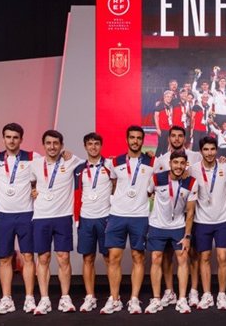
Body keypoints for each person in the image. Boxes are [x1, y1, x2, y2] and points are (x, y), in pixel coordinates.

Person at [101, 126, 156, 315]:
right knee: (114, 257)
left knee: (138, 257)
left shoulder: (152, 161)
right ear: (127, 139)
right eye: (132, 138)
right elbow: (114, 184)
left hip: (140, 216)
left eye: (139, 138)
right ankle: (114, 299)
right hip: (117, 215)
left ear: (143, 140)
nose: (135, 141)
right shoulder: (114, 162)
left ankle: (134, 299)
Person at [29, 130, 82, 315]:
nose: (52, 147)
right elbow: (27, 183)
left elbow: (94, 161)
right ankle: (44, 299)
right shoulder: (35, 164)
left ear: (61, 145)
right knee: (42, 258)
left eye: (56, 143)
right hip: (41, 217)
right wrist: (33, 190)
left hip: (63, 217)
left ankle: (65, 298)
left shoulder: (71, 162)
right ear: (43, 145)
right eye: (48, 143)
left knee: (63, 258)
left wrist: (72, 155)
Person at [0, 123, 37, 315]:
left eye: (15, 137)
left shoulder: (33, 158)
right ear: (3, 138)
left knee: (28, 257)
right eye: (8, 137)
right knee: (4, 258)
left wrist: (36, 188)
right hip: (3, 215)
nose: (11, 140)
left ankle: (29, 298)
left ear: (21, 139)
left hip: (26, 214)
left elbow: (49, 171)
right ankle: (6, 298)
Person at [152, 126, 202, 307]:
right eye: (173, 136)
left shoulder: (195, 156)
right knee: (166, 256)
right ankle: (168, 292)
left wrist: (222, 159)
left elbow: (209, 165)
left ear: (185, 138)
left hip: (189, 214)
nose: (176, 139)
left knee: (192, 254)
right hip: (166, 220)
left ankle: (193, 292)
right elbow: (152, 184)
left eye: (180, 136)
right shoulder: (161, 160)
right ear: (169, 138)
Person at [145, 150, 198, 314]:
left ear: (185, 165)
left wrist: (188, 236)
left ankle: (182, 299)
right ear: (170, 164)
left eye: (182, 163)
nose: (179, 166)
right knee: (156, 258)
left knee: (182, 258)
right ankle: (155, 299)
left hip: (178, 226)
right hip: (157, 226)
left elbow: (190, 213)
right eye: (176, 163)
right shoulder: (157, 178)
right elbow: (147, 193)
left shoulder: (191, 182)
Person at [188, 137, 226, 310]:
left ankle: (221, 295)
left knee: (222, 257)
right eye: (206, 149)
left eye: (212, 149)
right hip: (202, 221)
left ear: (217, 150)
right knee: (204, 258)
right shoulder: (192, 170)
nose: (209, 153)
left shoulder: (225, 167)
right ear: (201, 151)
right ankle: (206, 294)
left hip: (222, 220)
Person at [73, 132, 113, 312]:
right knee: (87, 258)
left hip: (106, 218)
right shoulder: (78, 169)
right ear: (85, 146)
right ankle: (90, 297)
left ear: (101, 146)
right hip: (86, 218)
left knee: (109, 258)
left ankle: (114, 296)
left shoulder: (110, 166)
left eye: (97, 143)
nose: (93, 147)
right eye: (90, 144)